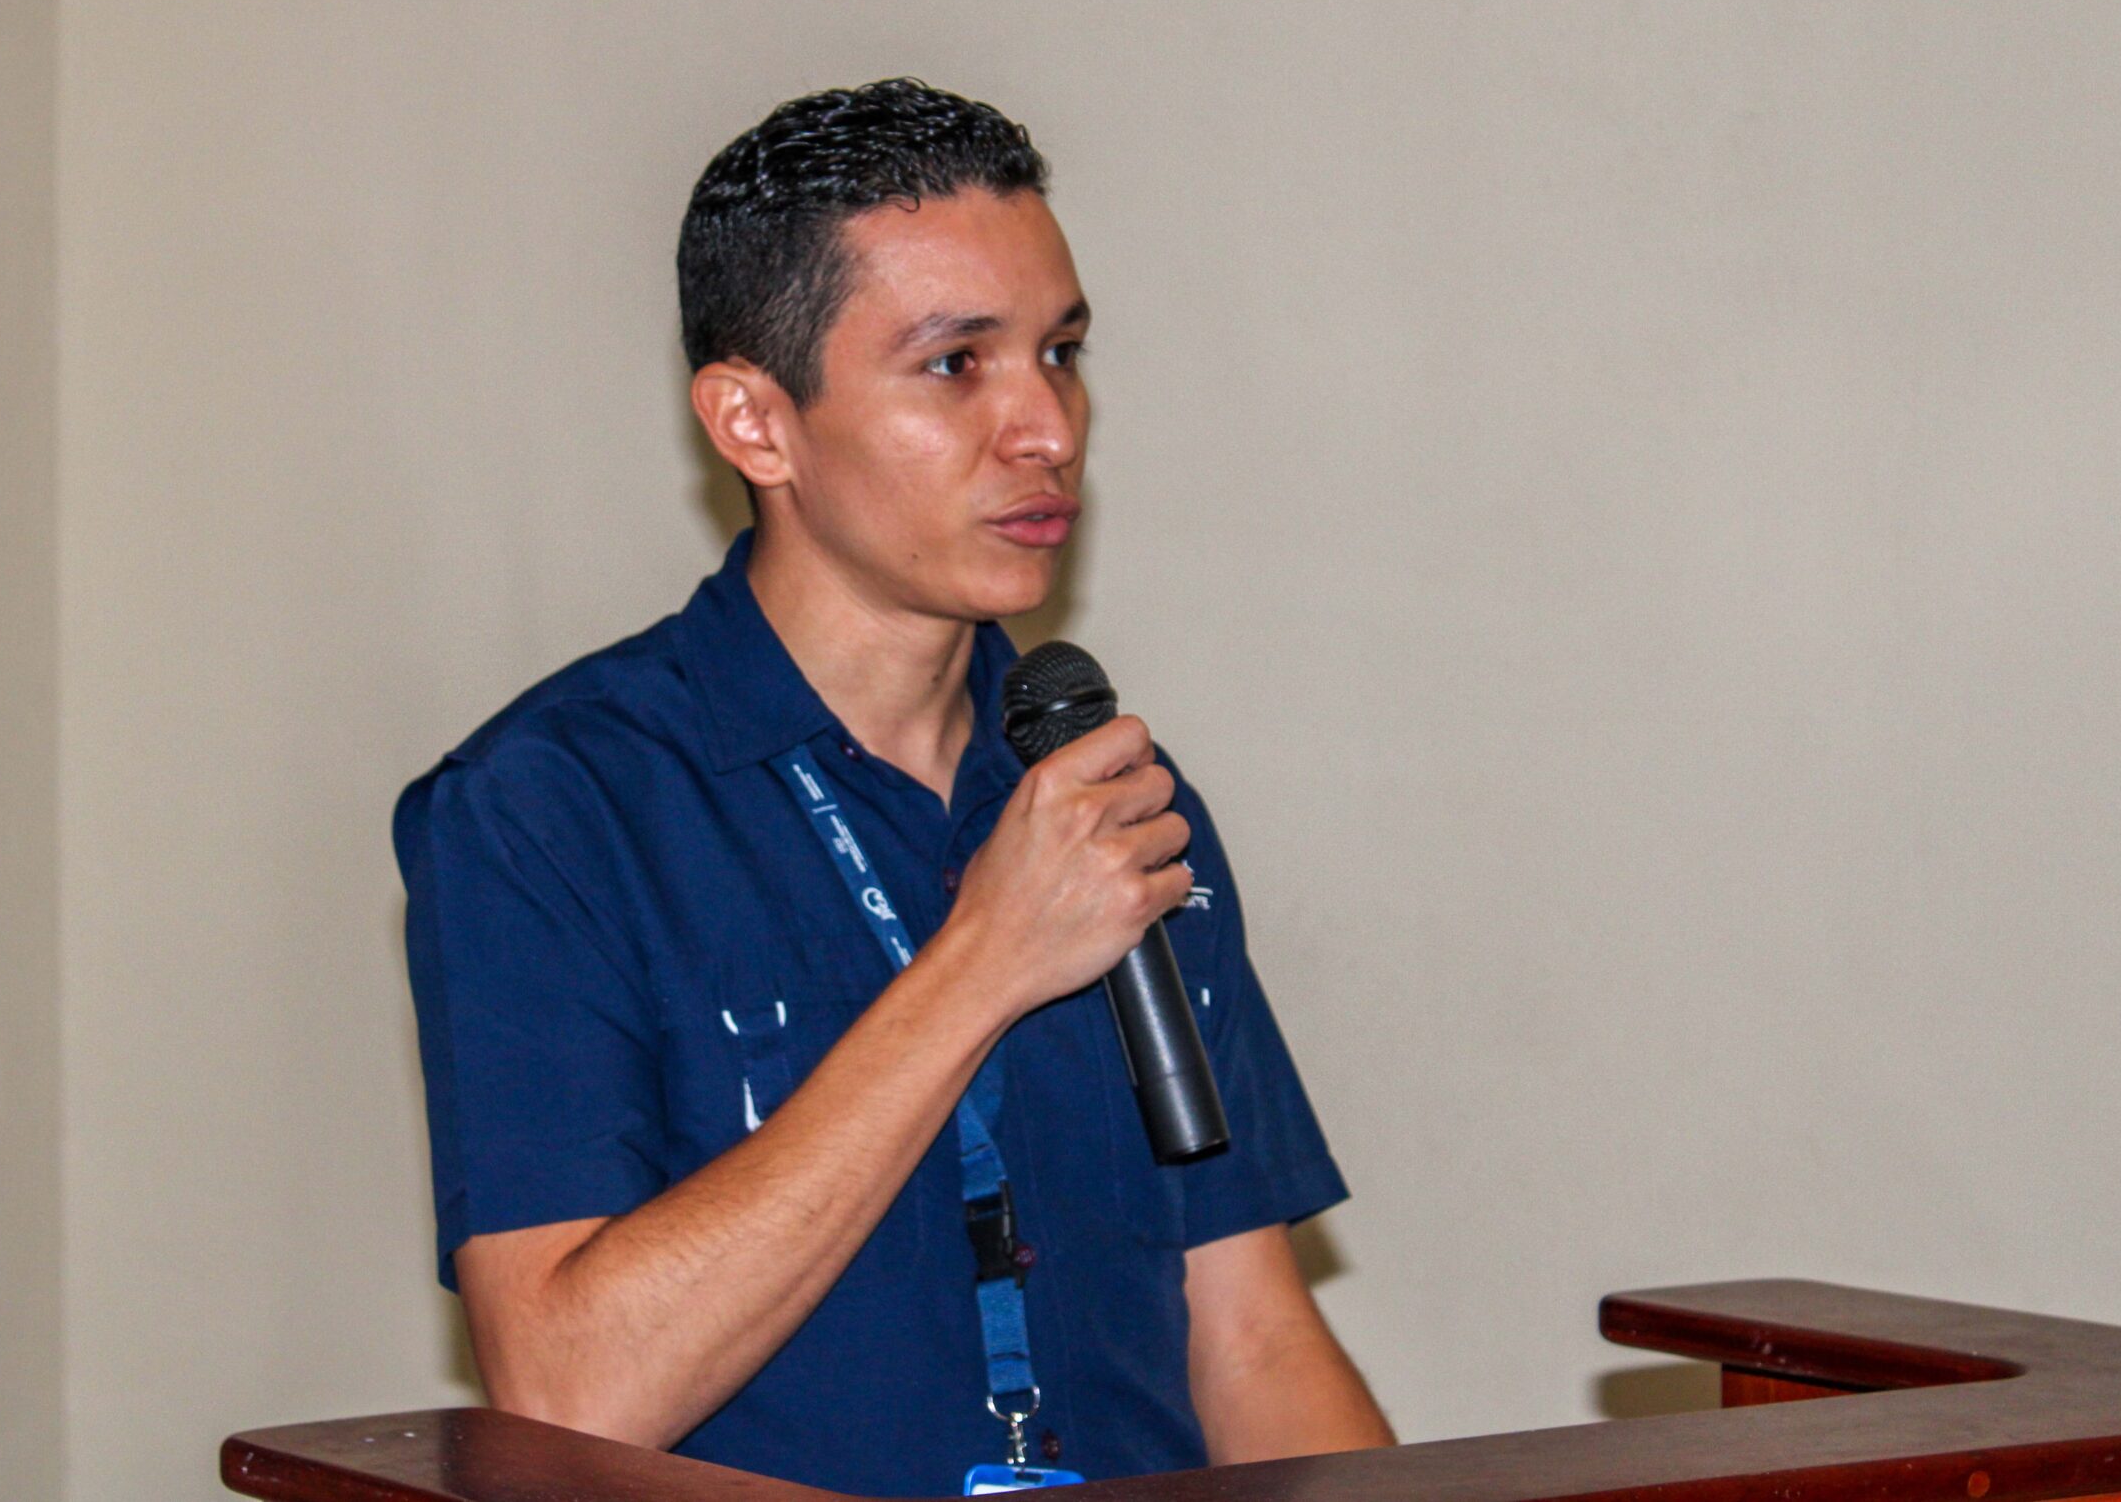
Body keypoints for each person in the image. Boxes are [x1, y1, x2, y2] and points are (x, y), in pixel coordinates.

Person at [394, 79, 1392, 1497]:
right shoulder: (548, 809)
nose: (1046, 427)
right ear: (756, 424)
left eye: (1061, 352)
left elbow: (1249, 1334)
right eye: (955, 364)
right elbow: (572, 1390)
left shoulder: (1101, 793)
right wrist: (983, 962)